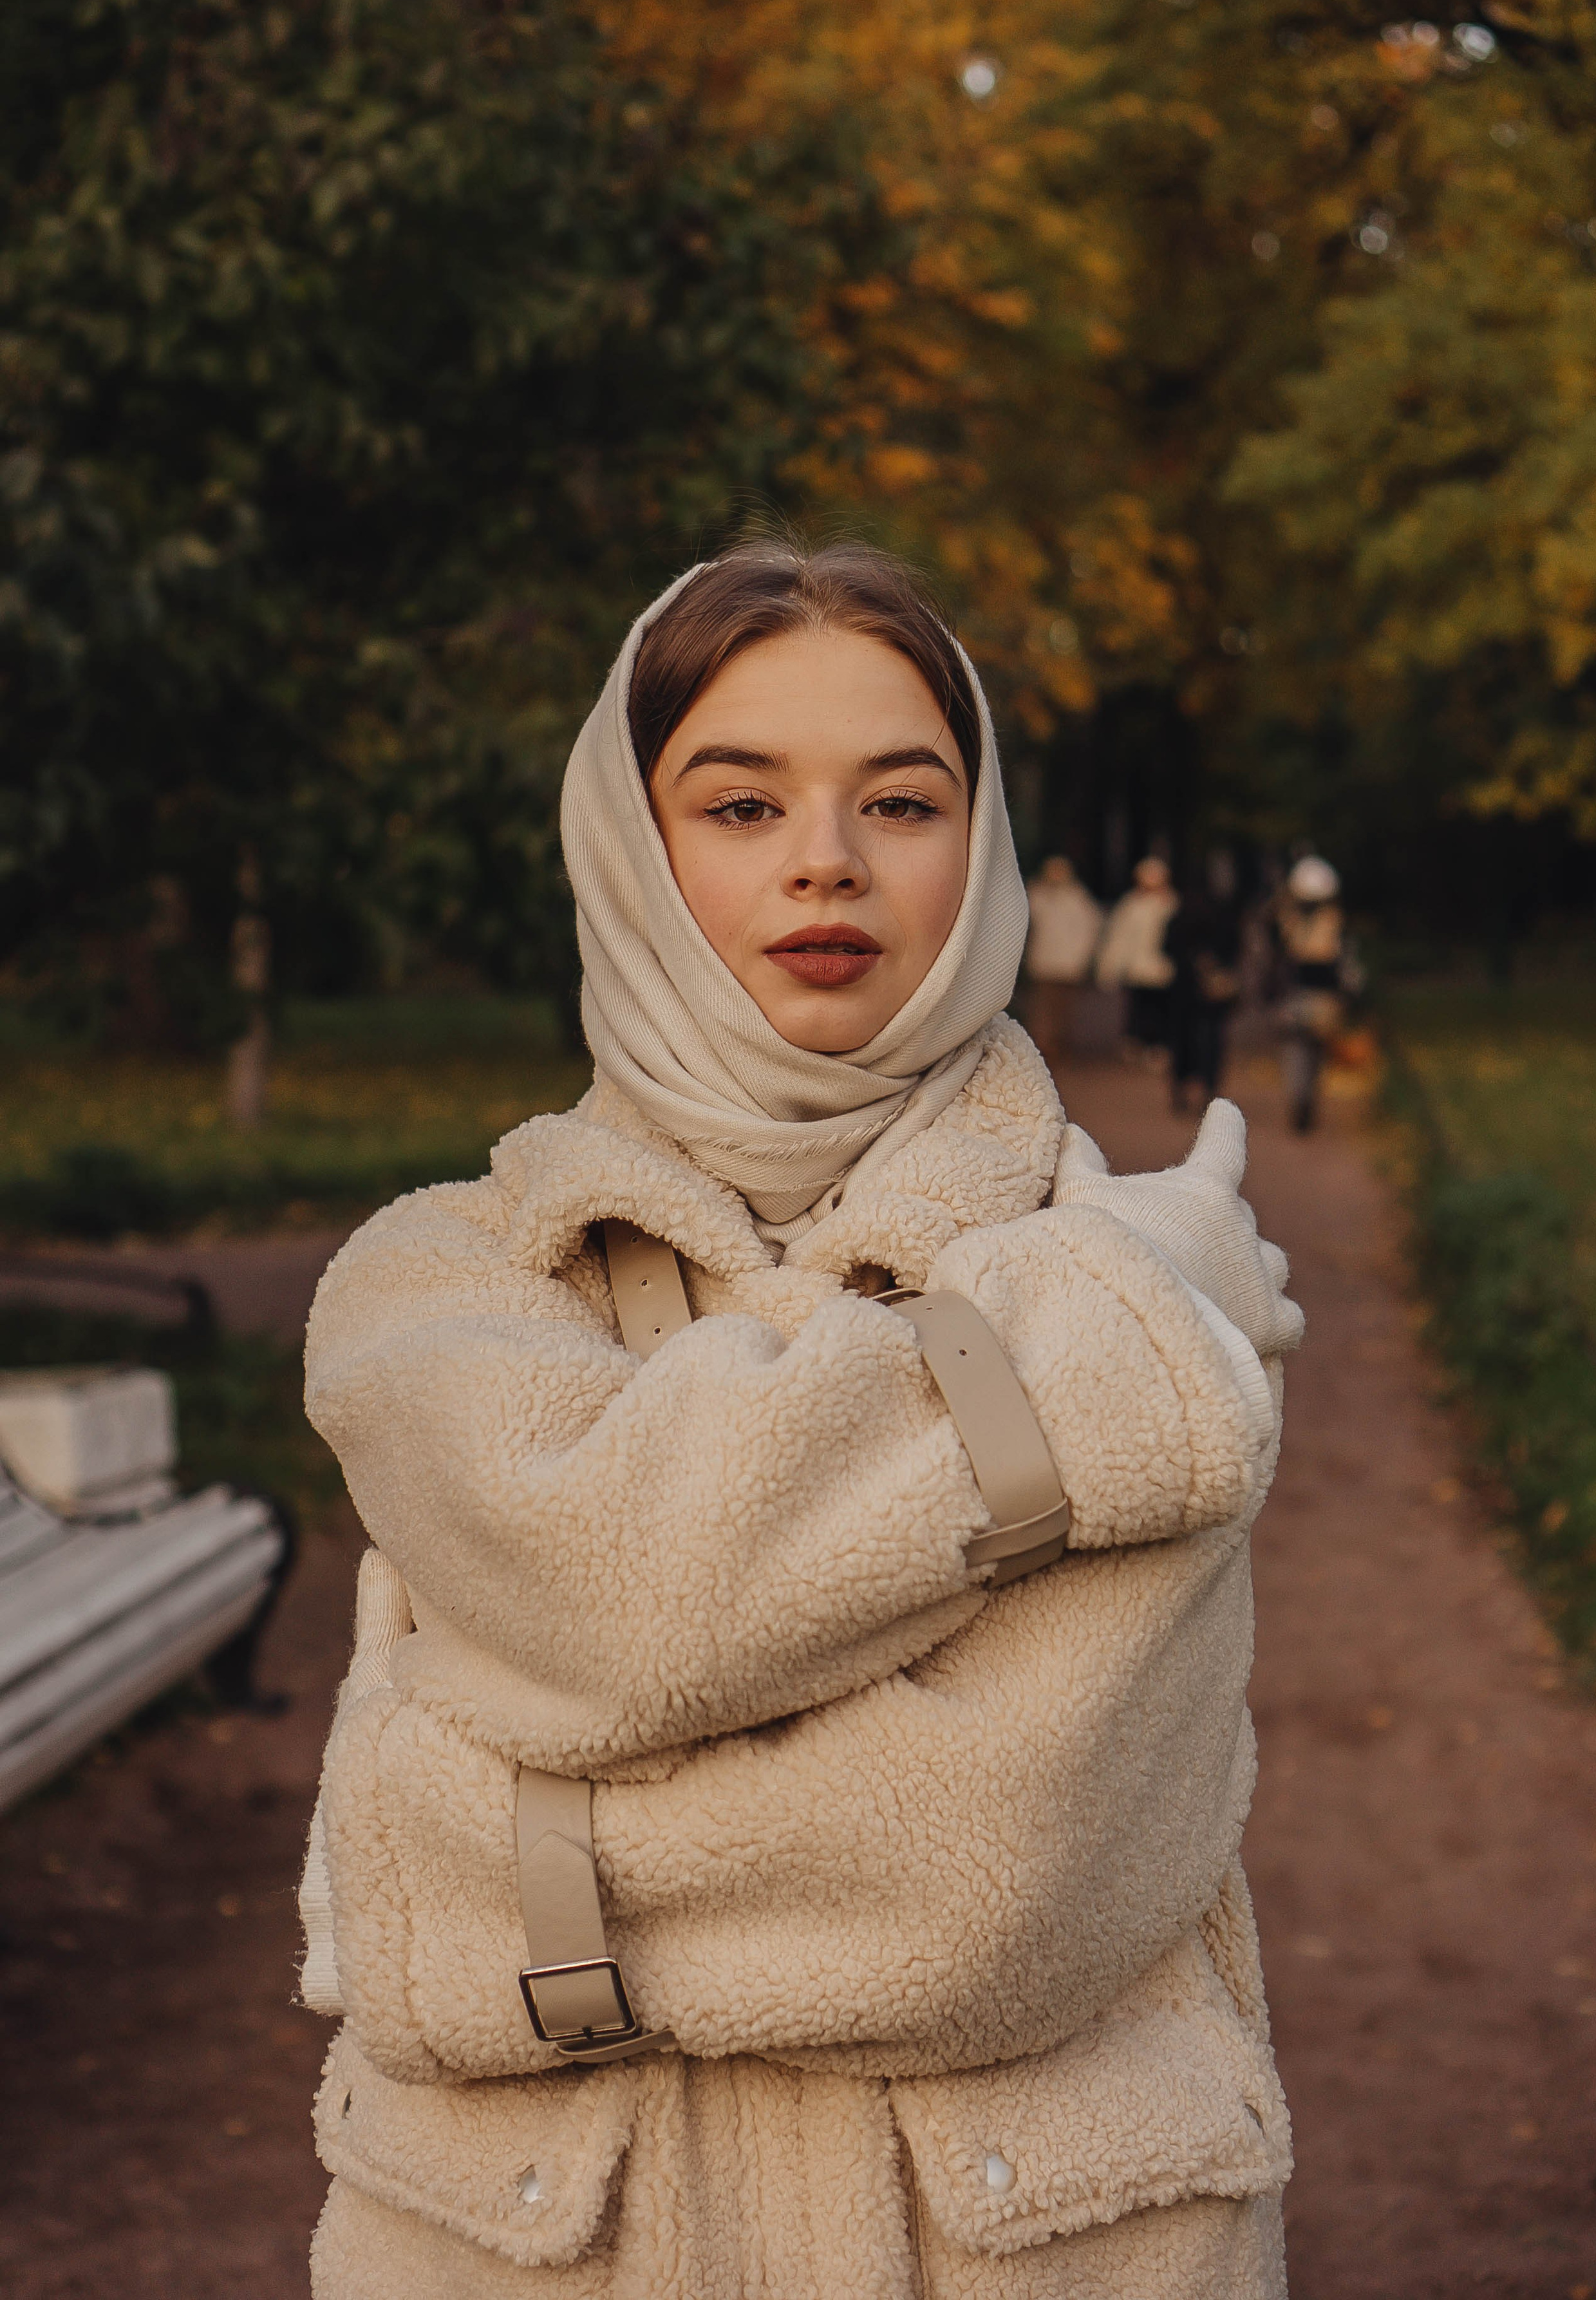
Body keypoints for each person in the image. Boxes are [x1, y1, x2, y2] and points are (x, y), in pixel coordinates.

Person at [297, 540, 1302, 2299]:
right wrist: (1071, 1356)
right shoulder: (433, 1284)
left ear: (976, 850)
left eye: (899, 803)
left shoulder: (1155, 1280)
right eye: (741, 804)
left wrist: (477, 1893)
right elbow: (631, 1599)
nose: (825, 860)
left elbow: (1001, 1880)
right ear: (631, 846)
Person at [1271, 854, 1356, 1134]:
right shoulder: (1335, 922)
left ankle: (1300, 1098)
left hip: (1300, 996)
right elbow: (1347, 968)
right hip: (1320, 998)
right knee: (1311, 1052)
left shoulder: (1285, 920)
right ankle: (1304, 1099)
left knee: (1298, 1051)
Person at [1164, 858, 1244, 1116]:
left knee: (1183, 1041)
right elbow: (1235, 948)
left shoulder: (1180, 913)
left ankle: (1181, 1089)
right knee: (1211, 1041)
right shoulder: (1222, 914)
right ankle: (1209, 1091)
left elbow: (1167, 947)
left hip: (1184, 990)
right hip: (1211, 993)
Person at [1024, 853, 1105, 1067]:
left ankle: (1060, 1044)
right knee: (1043, 1006)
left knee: (1064, 1008)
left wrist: (1082, 957)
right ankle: (1043, 1044)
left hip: (1068, 963)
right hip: (1044, 962)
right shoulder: (1038, 895)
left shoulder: (1077, 898)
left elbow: (1090, 929)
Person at [1096, 853, 1179, 1057]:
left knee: (1162, 1009)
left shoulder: (1171, 904)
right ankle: (1136, 1043)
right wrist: (1108, 966)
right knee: (1137, 1008)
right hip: (1137, 969)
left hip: (1163, 968)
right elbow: (1118, 937)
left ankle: (1158, 1045)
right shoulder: (1130, 905)